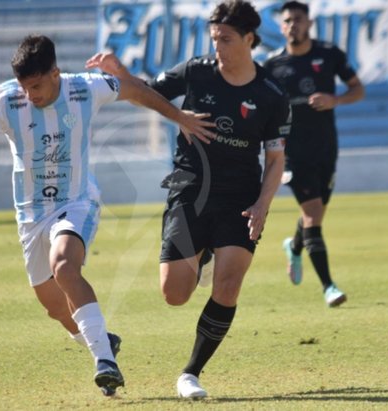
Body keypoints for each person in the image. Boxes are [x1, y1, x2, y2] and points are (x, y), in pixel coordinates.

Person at [0, 34, 215, 397]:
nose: (30, 95)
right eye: (25, 87)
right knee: (55, 307)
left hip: (76, 201)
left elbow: (137, 91)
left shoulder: (84, 89)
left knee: (64, 265)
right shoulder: (5, 98)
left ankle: (105, 362)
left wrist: (179, 116)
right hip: (30, 214)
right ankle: (104, 340)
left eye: (37, 85)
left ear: (56, 73)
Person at [87, 0, 290, 398]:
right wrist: (123, 74)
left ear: (249, 40)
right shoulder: (196, 73)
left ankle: (191, 372)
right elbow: (143, 93)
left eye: (226, 40)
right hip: (190, 190)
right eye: (215, 39)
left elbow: (276, 157)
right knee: (175, 294)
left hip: (240, 198)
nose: (219, 47)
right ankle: (204, 255)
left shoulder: (271, 95)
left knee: (229, 285)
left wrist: (264, 203)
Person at [263, 1, 365, 307]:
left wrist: (335, 100)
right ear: (281, 27)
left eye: (298, 19)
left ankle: (294, 247)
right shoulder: (271, 66)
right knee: (312, 214)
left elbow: (358, 89)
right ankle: (329, 287)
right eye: (287, 20)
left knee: (315, 211)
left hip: (325, 148)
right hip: (291, 154)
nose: (293, 24)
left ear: (308, 23)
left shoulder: (330, 54)